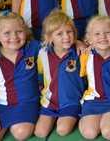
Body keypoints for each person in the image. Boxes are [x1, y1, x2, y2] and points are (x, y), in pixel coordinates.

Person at [0, 12, 40, 141]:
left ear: (25, 31)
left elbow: (56, 46)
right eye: (7, 33)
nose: (14, 37)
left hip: (27, 103)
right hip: (1, 105)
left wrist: (78, 43)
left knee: (21, 133)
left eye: (19, 31)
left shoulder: (33, 48)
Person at [34, 10, 85, 138]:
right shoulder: (42, 53)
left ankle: (75, 117)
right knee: (40, 132)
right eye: (59, 34)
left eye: (69, 32)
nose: (66, 37)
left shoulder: (80, 52)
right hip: (50, 102)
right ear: (49, 38)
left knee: (62, 130)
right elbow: (40, 78)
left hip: (71, 101)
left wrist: (80, 42)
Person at [79, 16, 110, 140]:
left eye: (107, 32)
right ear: (89, 39)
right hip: (93, 101)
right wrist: (77, 42)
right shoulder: (85, 56)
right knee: (89, 134)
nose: (102, 37)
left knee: (109, 133)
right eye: (97, 34)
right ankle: (83, 119)